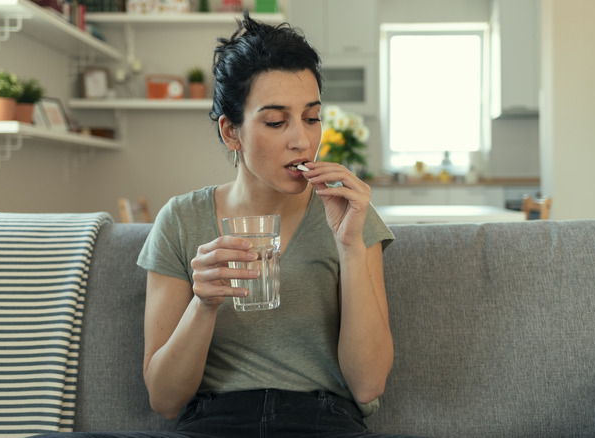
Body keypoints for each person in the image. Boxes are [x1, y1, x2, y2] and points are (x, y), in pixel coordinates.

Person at [33, 11, 412, 438]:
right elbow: (164, 400)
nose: (302, 140)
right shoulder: (181, 219)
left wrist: (350, 246)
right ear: (231, 132)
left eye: (311, 117)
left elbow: (368, 385)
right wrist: (203, 305)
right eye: (276, 122)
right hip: (212, 422)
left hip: (323, 421)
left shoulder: (349, 212)